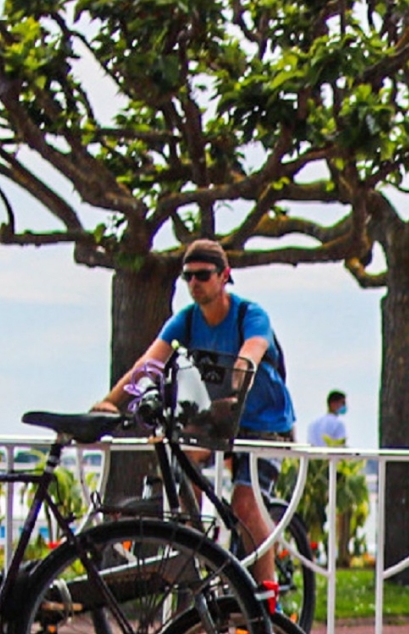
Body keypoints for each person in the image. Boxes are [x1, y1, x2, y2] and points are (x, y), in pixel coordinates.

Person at [94, 238, 295, 587]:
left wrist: (236, 382)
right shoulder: (186, 321)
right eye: (187, 276)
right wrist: (111, 403)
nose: (194, 283)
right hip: (218, 420)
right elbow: (149, 364)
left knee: (246, 507)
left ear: (224, 276)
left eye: (203, 275)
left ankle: (266, 601)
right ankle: (198, 554)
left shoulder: (250, 314)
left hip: (264, 424)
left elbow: (252, 351)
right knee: (182, 470)